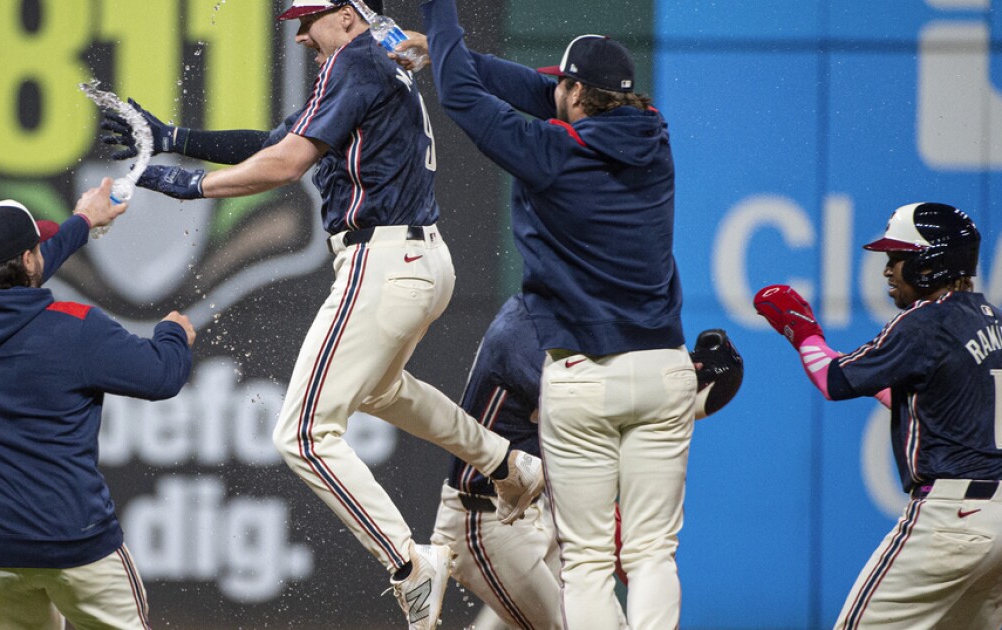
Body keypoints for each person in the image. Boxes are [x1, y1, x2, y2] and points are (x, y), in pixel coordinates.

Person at [103, 2, 546, 627]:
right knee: (381, 390)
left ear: (347, 15)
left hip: (382, 259)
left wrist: (190, 186)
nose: (301, 35)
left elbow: (286, 164)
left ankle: (409, 564)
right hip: (419, 258)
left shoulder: (354, 60)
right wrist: (175, 141)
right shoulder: (374, 62)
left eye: (308, 19)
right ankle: (506, 462)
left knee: (302, 435)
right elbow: (277, 143)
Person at [418, 2, 695, 627]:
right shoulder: (654, 135)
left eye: (562, 86)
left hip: (586, 373)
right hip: (664, 366)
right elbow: (545, 92)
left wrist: (439, 20)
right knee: (653, 554)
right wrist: (439, 50)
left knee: (589, 563)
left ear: (574, 91)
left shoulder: (551, 151)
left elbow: (462, 97)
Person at [0, 178, 197, 630]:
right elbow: (162, 376)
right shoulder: (76, 328)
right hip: (73, 544)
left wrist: (84, 221)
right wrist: (173, 334)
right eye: (37, 247)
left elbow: (14, 281)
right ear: (28, 259)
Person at [754, 201, 1002, 629]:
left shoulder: (926, 322)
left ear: (929, 263)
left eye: (897, 257)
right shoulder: (993, 320)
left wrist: (803, 331)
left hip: (950, 519)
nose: (888, 270)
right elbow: (932, 404)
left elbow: (833, 380)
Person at [431, 293, 743, 630]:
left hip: (534, 510)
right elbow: (597, 412)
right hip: (484, 522)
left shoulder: (569, 313)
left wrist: (681, 377)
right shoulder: (523, 332)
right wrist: (676, 389)